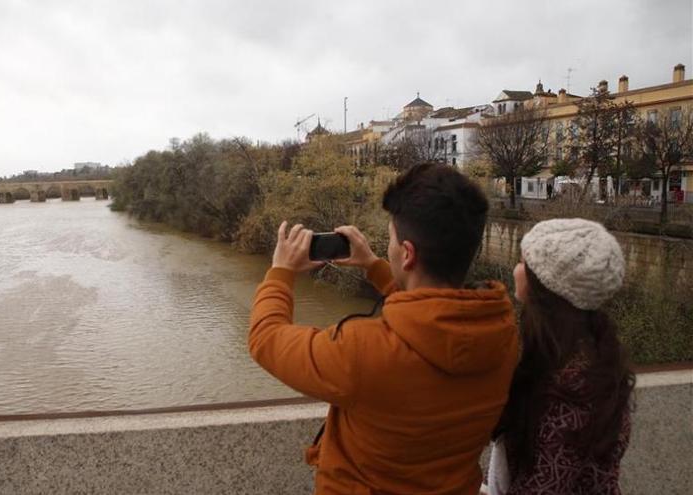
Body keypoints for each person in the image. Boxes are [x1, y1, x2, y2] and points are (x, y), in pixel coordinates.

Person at [248, 163, 519, 494]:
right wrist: (375, 267)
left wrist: (281, 271)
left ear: (407, 254)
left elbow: (266, 338)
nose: (388, 248)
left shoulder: (362, 352)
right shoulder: (502, 335)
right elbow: (432, 322)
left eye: (392, 240)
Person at [485, 218, 634, 495]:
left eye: (522, 262)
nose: (515, 269)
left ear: (544, 286)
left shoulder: (571, 390)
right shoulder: (589, 357)